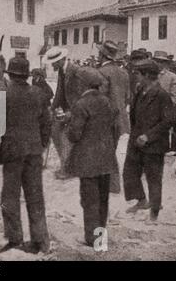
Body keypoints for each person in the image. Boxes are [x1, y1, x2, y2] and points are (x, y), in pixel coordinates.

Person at [0, 57, 51, 254]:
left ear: (10, 74)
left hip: (12, 152)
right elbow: (46, 124)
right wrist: (40, 144)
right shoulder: (39, 94)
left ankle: (15, 239)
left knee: (10, 196)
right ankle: (40, 241)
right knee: (35, 196)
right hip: (33, 152)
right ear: (26, 75)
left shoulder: (4, 94)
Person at [66, 67, 118, 247]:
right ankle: (100, 235)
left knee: (89, 200)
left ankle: (91, 238)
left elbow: (74, 135)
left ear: (83, 84)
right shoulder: (107, 101)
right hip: (105, 158)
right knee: (103, 199)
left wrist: (68, 124)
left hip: (88, 160)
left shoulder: (81, 104)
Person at [123, 59, 173, 222]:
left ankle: (154, 212)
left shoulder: (162, 95)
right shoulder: (140, 91)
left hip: (154, 144)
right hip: (136, 140)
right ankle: (141, 200)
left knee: (154, 177)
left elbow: (167, 121)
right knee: (130, 172)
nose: (136, 77)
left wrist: (148, 136)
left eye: (138, 74)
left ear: (147, 75)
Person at [96, 40, 130, 194]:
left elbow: (100, 99)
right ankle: (111, 184)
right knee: (112, 149)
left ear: (102, 55)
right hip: (120, 119)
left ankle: (112, 185)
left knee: (105, 151)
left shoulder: (101, 73)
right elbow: (128, 97)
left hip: (105, 119)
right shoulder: (123, 72)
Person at [43, 47, 82, 180]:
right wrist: (52, 108)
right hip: (66, 109)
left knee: (66, 138)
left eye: (53, 62)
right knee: (55, 132)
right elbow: (59, 92)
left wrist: (71, 113)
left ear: (60, 60)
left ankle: (67, 169)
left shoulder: (76, 71)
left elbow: (81, 96)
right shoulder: (61, 70)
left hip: (76, 111)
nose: (52, 65)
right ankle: (66, 165)